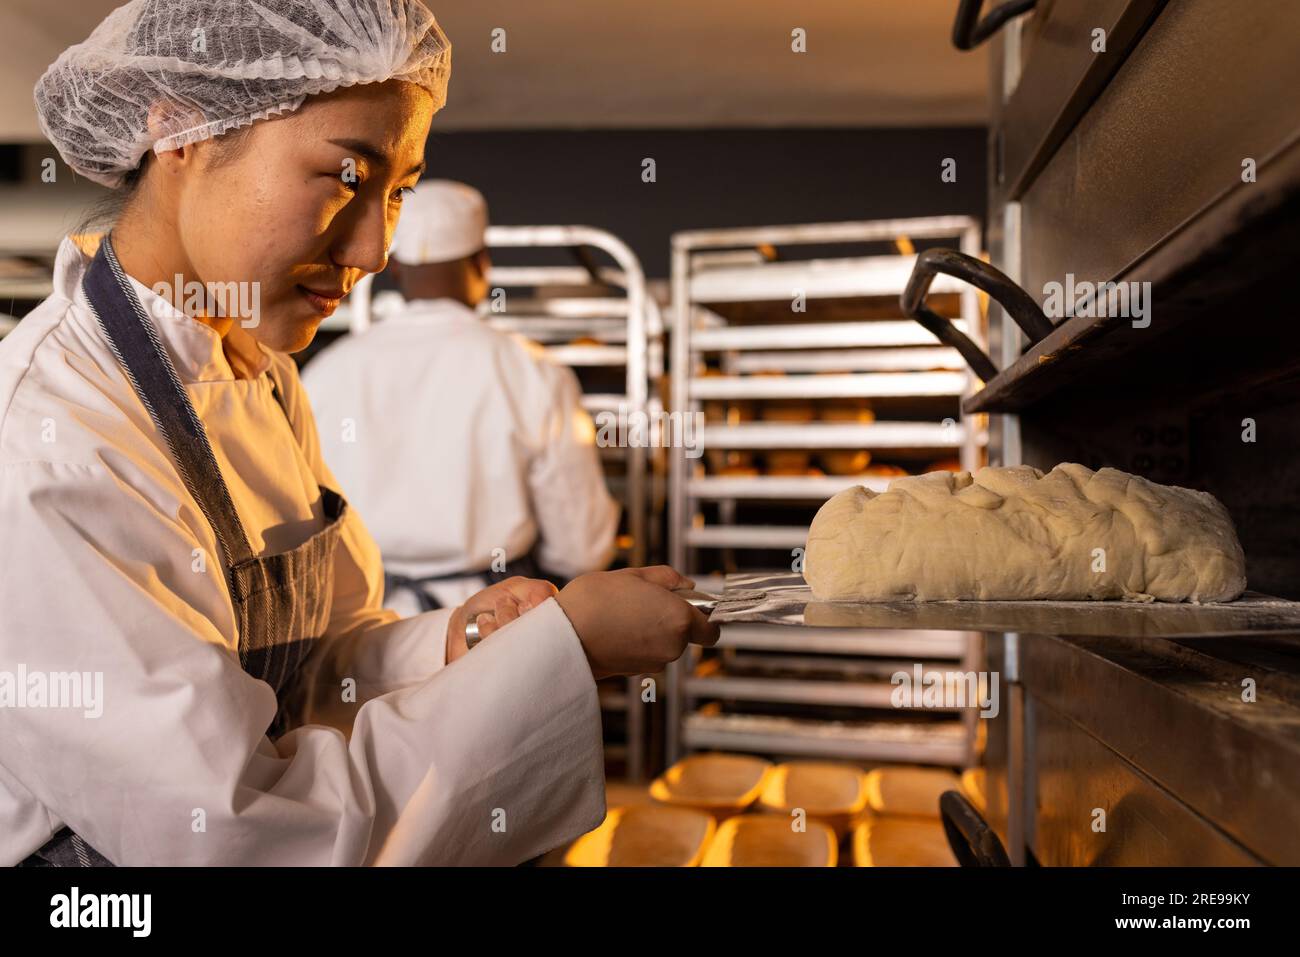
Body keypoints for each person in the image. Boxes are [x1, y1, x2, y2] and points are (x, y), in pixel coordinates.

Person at [0, 0, 716, 867]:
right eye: (346, 174)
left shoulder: (259, 374)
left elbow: (317, 670)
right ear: (179, 130)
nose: (378, 249)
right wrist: (568, 653)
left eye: (399, 192)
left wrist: (464, 639)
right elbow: (237, 838)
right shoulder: (49, 441)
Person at [302, 181, 619, 616]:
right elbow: (581, 548)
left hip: (361, 624)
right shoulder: (531, 371)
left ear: (393, 268)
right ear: (482, 265)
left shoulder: (326, 374)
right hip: (495, 621)